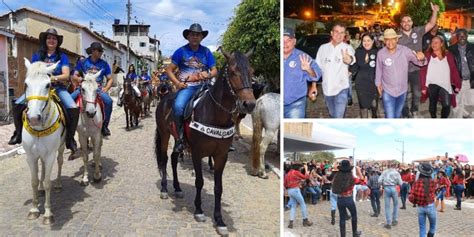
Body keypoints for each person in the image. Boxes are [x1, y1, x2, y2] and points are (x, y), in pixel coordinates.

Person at [8, 28, 79, 156]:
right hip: (38, 90)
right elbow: (33, 72)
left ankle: (70, 139)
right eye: (49, 38)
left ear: (57, 42)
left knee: (73, 107)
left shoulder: (62, 57)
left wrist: (53, 78)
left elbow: (66, 75)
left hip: (57, 88)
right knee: (18, 104)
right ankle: (18, 134)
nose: (51, 40)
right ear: (45, 40)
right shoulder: (37, 55)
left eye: (54, 38)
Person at [166, 23, 217, 152]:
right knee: (178, 107)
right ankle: (180, 139)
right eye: (192, 34)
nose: (195, 37)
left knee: (222, 103)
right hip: (187, 87)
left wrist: (209, 74)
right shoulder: (181, 51)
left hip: (204, 86)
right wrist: (177, 83)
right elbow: (169, 70)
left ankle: (222, 138)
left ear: (201, 37)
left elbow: (215, 70)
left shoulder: (206, 52)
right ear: (188, 36)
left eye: (198, 35)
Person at [398, 2, 440, 118]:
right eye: (404, 21)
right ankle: (405, 113)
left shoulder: (418, 31)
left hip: (416, 69)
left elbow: (431, 23)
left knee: (417, 93)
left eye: (409, 21)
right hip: (402, 70)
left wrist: (435, 12)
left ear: (412, 22)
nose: (406, 23)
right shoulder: (397, 36)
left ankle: (414, 110)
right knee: (404, 93)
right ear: (401, 24)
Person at [375, 28, 427, 118]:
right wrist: (378, 84)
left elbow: (419, 62)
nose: (390, 42)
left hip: (402, 91)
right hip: (387, 90)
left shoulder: (405, 51)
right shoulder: (381, 53)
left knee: (397, 115)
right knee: (390, 116)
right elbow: (379, 70)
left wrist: (422, 58)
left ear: (397, 40)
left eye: (393, 39)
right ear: (384, 41)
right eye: (387, 39)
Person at [72, 42, 113, 136]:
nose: (101, 53)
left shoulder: (104, 64)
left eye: (101, 51)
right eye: (99, 51)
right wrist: (79, 79)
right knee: (70, 99)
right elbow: (74, 75)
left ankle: (104, 126)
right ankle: (71, 126)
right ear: (93, 51)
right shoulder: (82, 62)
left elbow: (110, 79)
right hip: (84, 87)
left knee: (109, 102)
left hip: (97, 88)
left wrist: (106, 88)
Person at [316, 22, 356, 118]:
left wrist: (348, 59)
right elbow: (317, 68)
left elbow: (351, 59)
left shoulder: (347, 48)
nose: (339, 35)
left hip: (341, 88)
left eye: (342, 32)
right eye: (337, 32)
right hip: (327, 89)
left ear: (344, 35)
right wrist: (313, 85)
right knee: (333, 115)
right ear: (331, 33)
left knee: (338, 117)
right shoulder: (323, 48)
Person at [283, 27, 322, 118]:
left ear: (294, 41)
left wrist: (309, 69)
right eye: (282, 40)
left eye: (288, 40)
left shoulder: (303, 57)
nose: (285, 43)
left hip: (295, 104)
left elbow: (317, 75)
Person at [420, 36, 461, 118]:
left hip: (445, 84)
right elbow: (422, 71)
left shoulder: (448, 55)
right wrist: (423, 87)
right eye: (432, 42)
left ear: (442, 44)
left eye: (436, 42)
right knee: (433, 103)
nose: (433, 44)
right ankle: (434, 118)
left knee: (446, 105)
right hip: (432, 83)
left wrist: (457, 84)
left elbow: (454, 70)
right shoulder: (427, 55)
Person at [349, 33, 379, 118]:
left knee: (373, 104)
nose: (366, 43)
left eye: (368, 40)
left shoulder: (378, 52)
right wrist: (348, 72)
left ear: (373, 41)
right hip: (361, 82)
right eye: (364, 41)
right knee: (363, 107)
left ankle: (374, 116)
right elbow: (355, 65)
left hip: (373, 82)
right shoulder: (358, 52)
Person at [332, 160, 362, 237]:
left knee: (342, 218)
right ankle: (354, 233)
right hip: (348, 199)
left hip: (340, 199)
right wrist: (359, 172)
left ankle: (343, 235)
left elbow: (334, 187)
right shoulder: (351, 177)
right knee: (354, 215)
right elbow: (362, 180)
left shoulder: (337, 176)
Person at [448, 29, 474, 118]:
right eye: (460, 35)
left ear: (467, 36)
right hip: (457, 82)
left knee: (470, 104)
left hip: (471, 81)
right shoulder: (450, 50)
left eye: (464, 35)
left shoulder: (473, 48)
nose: (462, 37)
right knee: (456, 105)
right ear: (457, 37)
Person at [409, 163, 437, 237]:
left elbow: (411, 196)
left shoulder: (416, 183)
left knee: (422, 227)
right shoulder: (433, 182)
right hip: (430, 205)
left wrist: (415, 201)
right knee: (433, 224)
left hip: (420, 207)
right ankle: (430, 235)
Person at [284, 163, 313, 228]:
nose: (300, 169)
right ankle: (305, 220)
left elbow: (284, 184)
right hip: (295, 190)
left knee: (293, 207)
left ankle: (291, 223)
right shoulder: (296, 172)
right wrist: (306, 169)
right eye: (300, 168)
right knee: (303, 204)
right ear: (297, 167)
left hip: (290, 191)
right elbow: (306, 177)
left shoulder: (288, 173)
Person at [378, 162, 403, 229]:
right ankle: (394, 220)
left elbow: (379, 181)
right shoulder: (397, 173)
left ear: (388, 165)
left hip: (386, 188)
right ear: (394, 166)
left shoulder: (384, 172)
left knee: (387, 207)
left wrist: (383, 184)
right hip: (394, 188)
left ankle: (388, 223)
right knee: (395, 205)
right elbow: (400, 183)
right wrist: (396, 183)